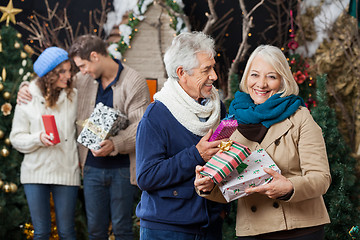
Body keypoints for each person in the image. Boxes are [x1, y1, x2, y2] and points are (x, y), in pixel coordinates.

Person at [17, 35, 150, 240]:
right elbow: (47, 82)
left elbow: (141, 127)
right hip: (91, 169)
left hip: (122, 169)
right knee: (95, 231)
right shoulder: (82, 80)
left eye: (81, 65)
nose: (77, 72)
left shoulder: (134, 81)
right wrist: (25, 87)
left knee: (122, 229)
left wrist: (115, 143)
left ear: (95, 56)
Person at [194, 45, 331, 240]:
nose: (261, 84)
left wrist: (289, 187)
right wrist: (207, 186)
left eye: (272, 77)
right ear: (247, 78)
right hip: (253, 231)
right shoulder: (231, 121)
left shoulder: (300, 117)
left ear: (283, 80)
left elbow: (321, 178)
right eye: (255, 75)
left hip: (300, 229)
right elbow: (229, 187)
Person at [136, 31, 228, 240]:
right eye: (207, 70)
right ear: (182, 72)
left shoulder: (217, 108)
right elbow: (146, 177)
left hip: (210, 226)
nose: (214, 76)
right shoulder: (156, 116)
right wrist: (196, 155)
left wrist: (222, 210)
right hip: (167, 229)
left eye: (213, 67)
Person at [10, 47, 80, 239]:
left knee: (67, 231)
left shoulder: (73, 95)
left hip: (66, 170)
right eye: (62, 72)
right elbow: (16, 138)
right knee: (41, 232)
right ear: (49, 75)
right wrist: (37, 138)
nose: (68, 75)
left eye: (69, 70)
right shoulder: (28, 97)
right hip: (35, 173)